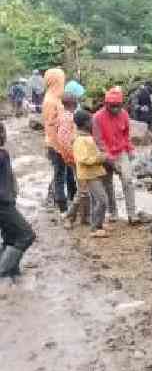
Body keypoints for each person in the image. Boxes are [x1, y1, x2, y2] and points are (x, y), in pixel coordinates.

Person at [93, 87, 139, 225]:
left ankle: (132, 214)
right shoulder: (97, 118)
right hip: (105, 155)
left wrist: (130, 150)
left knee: (128, 180)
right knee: (107, 184)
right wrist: (109, 158)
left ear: (121, 105)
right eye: (112, 106)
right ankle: (113, 213)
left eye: (118, 106)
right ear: (106, 104)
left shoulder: (124, 114)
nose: (115, 109)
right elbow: (98, 141)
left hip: (121, 152)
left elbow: (126, 134)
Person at [65, 110, 109, 238]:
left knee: (96, 199)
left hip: (93, 173)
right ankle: (95, 228)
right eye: (90, 121)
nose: (92, 124)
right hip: (90, 175)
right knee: (102, 200)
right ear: (85, 123)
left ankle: (97, 224)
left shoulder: (85, 137)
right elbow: (84, 159)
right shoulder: (80, 140)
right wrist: (101, 158)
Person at [0, 122, 36, 278]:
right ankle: (3, 271)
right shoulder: (2, 156)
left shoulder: (3, 154)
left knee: (11, 236)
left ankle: (12, 274)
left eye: (3, 131)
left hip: (7, 202)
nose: (3, 135)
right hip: (3, 205)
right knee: (26, 235)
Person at [43, 68, 76, 213]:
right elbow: (50, 128)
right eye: (61, 79)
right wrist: (60, 148)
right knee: (60, 176)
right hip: (56, 145)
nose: (63, 82)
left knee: (68, 173)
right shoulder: (50, 101)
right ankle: (63, 208)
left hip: (64, 144)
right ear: (56, 81)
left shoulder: (56, 97)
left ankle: (74, 201)